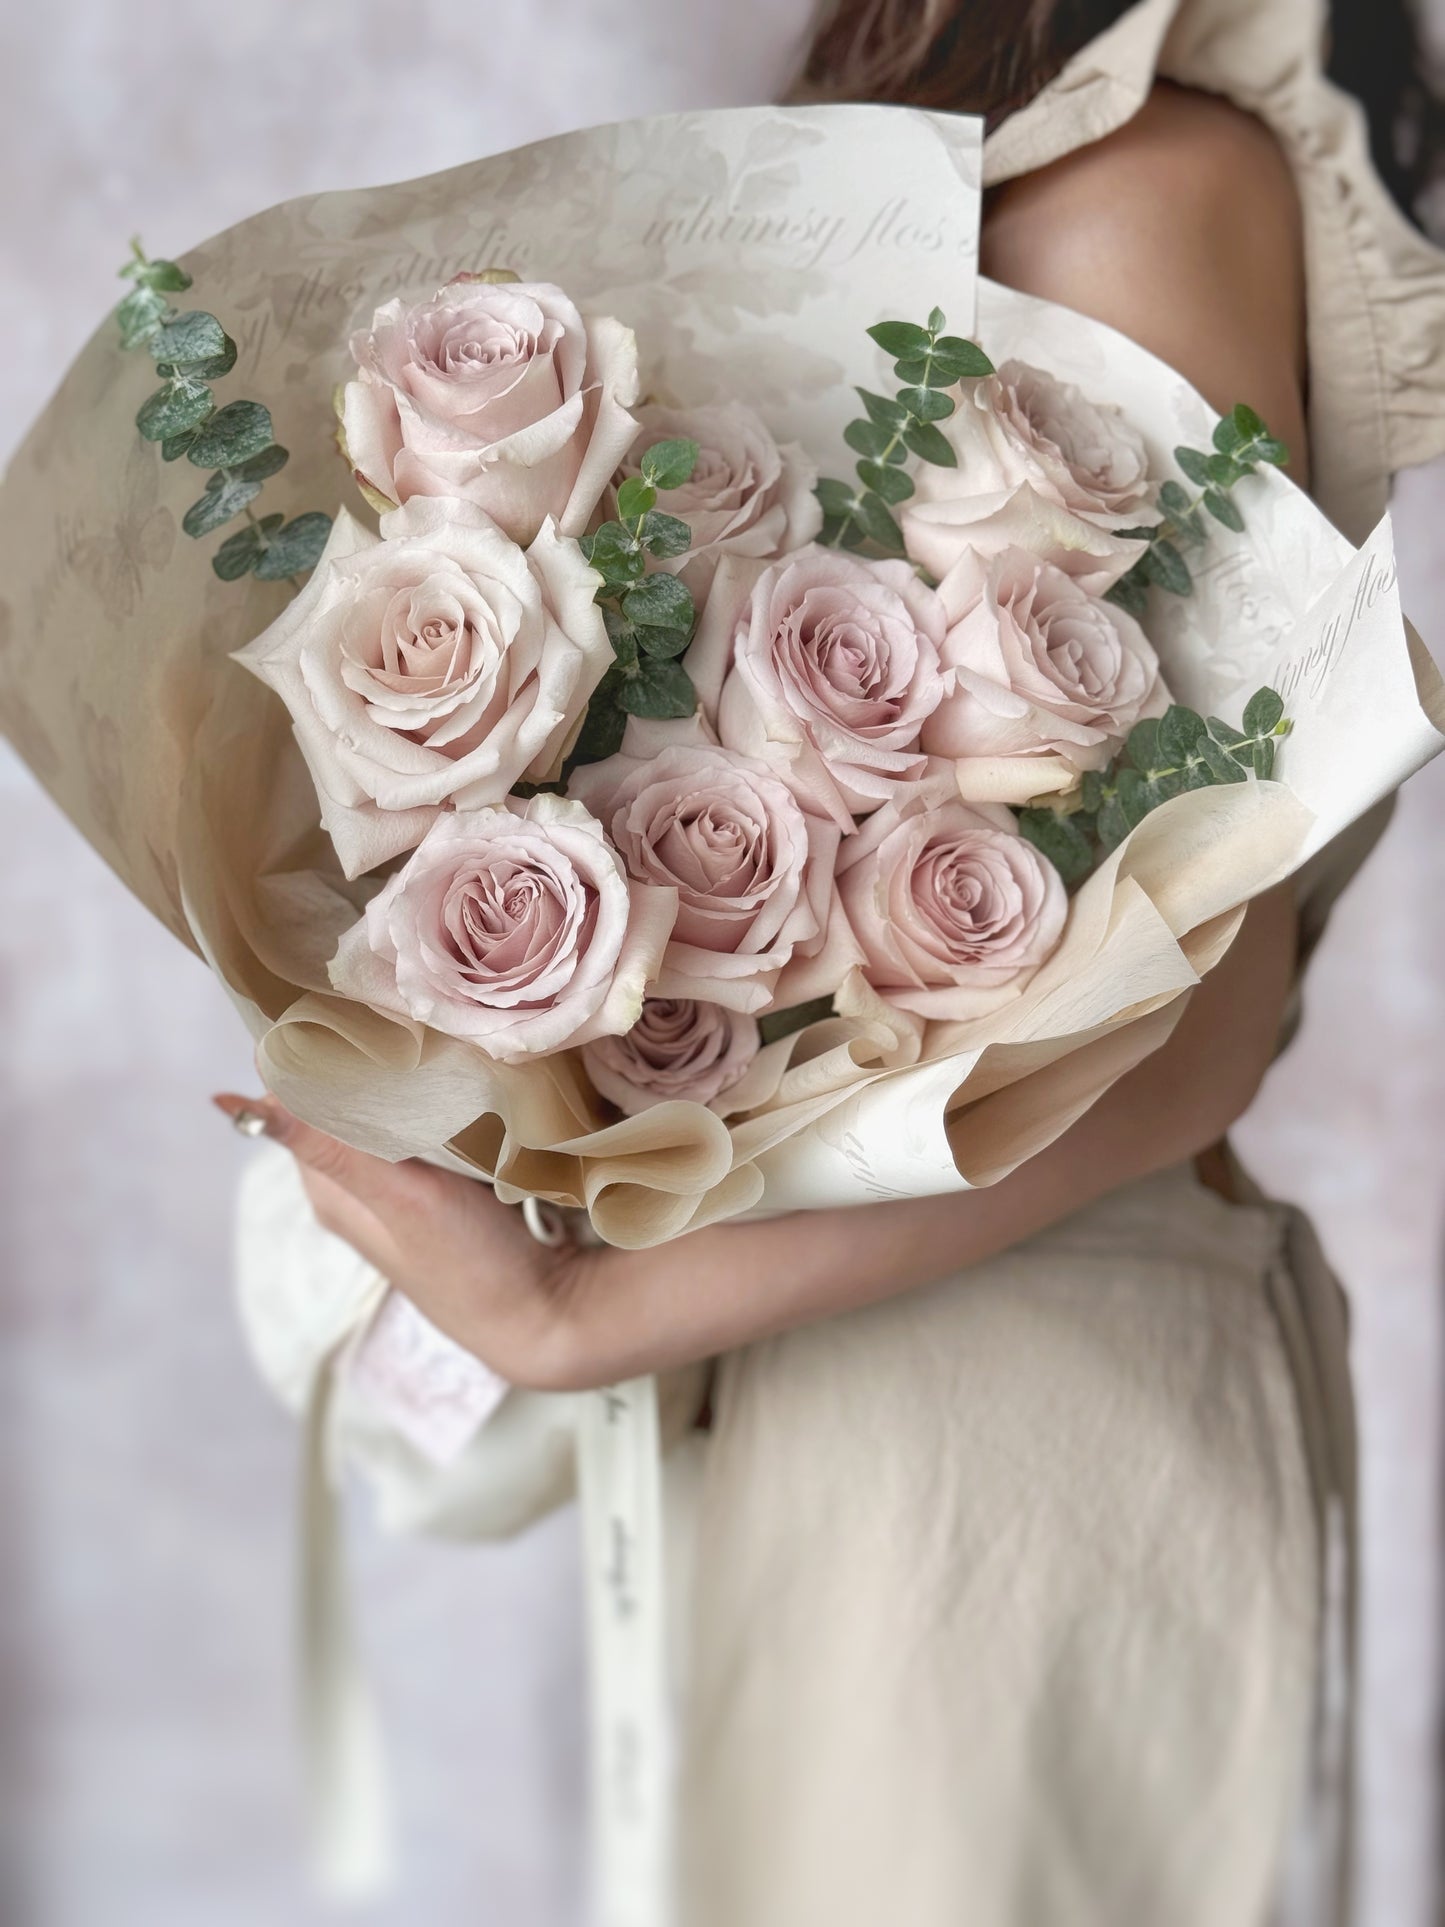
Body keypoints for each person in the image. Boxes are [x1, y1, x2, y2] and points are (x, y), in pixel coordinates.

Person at [216, 1, 1445, 1920]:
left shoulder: (1143, 172)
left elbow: (1197, 1011)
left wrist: (574, 1318)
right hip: (806, 1391)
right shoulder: (874, 125)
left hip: (1002, 1430)